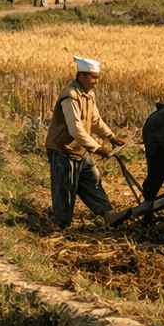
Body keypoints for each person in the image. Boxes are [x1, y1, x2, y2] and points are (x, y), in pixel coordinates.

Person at [44, 56, 125, 230]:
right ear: (81, 76)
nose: (97, 80)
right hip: (63, 150)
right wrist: (97, 148)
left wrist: (110, 136)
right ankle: (60, 224)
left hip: (81, 149)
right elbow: (76, 130)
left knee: (93, 181)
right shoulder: (70, 96)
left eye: (98, 77)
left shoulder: (89, 94)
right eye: (93, 77)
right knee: (65, 190)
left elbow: (95, 120)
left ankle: (107, 214)